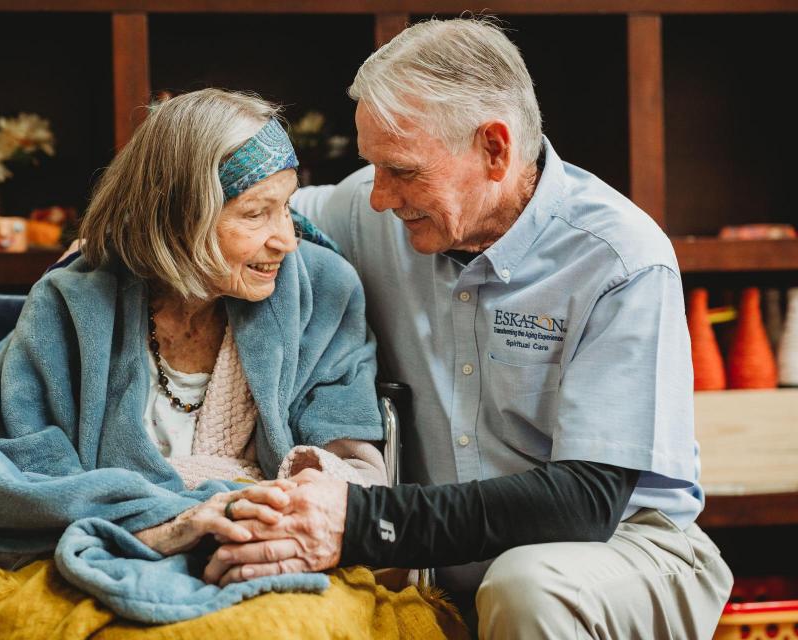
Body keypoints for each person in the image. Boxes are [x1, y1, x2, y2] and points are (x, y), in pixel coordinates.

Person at [203, 18, 734, 638]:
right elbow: (241, 215)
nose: (377, 197)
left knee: (528, 586)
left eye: (401, 170)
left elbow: (586, 500)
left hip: (626, 547)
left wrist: (357, 520)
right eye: (371, 167)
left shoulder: (619, 258)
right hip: (442, 564)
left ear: (495, 149)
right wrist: (119, 244)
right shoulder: (386, 212)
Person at [0, 89, 431, 632]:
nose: (286, 239)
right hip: (110, 546)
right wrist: (169, 519)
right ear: (178, 218)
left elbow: (352, 467)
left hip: (268, 546)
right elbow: (30, 466)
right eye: (256, 213)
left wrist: (266, 507)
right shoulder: (72, 303)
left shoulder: (323, 293)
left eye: (287, 207)